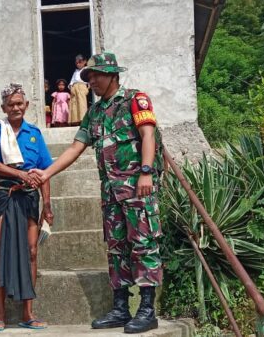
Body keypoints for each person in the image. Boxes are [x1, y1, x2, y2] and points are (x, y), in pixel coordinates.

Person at [30, 52, 163, 334]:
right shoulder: (94, 113)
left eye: (97, 76)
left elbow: (148, 134)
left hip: (138, 187)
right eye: (89, 78)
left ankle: (148, 310)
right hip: (111, 193)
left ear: (113, 75)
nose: (92, 82)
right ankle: (120, 308)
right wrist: (46, 173)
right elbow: (75, 148)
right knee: (116, 248)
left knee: (143, 244)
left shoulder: (135, 100)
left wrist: (147, 171)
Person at [0, 83, 54, 332]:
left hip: (30, 198)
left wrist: (48, 205)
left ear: (26, 106)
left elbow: (45, 170)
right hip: (5, 194)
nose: (15, 108)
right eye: (10, 104)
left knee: (32, 251)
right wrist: (20, 175)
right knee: (2, 248)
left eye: (19, 103)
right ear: (4, 107)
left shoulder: (34, 133)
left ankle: (28, 312)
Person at [68, 54, 89, 126]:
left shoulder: (86, 70)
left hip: (82, 87)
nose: (78, 64)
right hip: (74, 88)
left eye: (80, 62)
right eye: (76, 63)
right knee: (74, 104)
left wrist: (87, 88)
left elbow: (89, 81)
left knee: (82, 104)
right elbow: (71, 81)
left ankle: (82, 120)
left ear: (85, 61)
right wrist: (71, 88)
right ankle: (75, 121)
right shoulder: (76, 72)